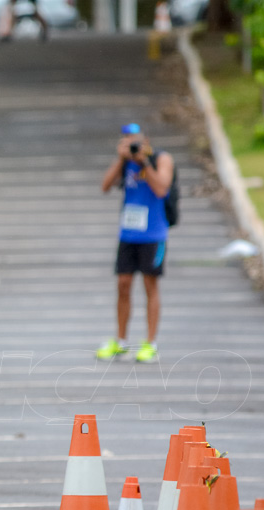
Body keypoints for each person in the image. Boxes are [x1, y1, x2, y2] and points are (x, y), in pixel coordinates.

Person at [96, 123, 174, 363]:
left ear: (146, 139)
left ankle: (151, 343)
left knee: (150, 286)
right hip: (128, 234)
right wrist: (121, 160)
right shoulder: (125, 162)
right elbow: (105, 186)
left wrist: (144, 162)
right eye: (128, 140)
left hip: (153, 235)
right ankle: (121, 341)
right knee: (123, 284)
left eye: (136, 140)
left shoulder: (161, 159)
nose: (132, 144)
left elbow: (161, 188)